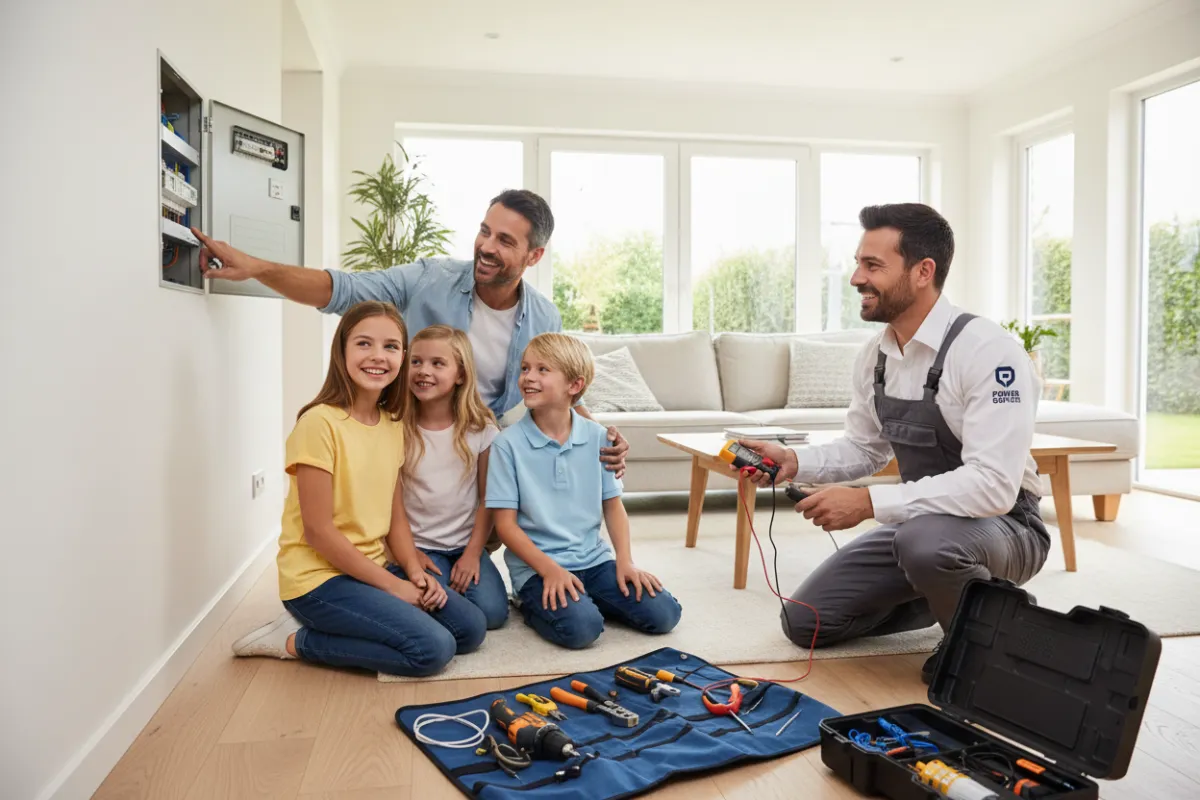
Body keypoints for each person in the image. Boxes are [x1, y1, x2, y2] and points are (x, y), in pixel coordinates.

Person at [739, 203, 1048, 683]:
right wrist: (795, 461)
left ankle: (981, 639)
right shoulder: (875, 356)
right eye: (859, 263)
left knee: (924, 544)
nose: (855, 278)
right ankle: (963, 600)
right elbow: (865, 449)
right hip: (924, 525)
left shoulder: (988, 351)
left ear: (923, 271)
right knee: (806, 621)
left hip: (1006, 526)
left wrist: (867, 503)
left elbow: (993, 487)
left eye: (872, 266)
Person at [190, 188, 629, 477]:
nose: (487, 247)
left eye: (505, 241)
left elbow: (559, 393)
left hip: (477, 446)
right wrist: (257, 267)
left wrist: (601, 435)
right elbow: (343, 289)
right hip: (409, 434)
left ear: (534, 256)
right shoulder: (428, 278)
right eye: (484, 232)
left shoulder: (544, 317)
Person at [231, 301, 487, 676]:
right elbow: (319, 533)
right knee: (433, 648)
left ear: (401, 355)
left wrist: (414, 572)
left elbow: (396, 517)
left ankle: (363, 617)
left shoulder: (392, 424)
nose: (377, 357)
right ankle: (294, 639)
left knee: (470, 629)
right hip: (317, 580)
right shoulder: (319, 423)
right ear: (343, 351)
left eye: (390, 346)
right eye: (364, 344)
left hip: (371, 566)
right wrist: (394, 588)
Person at [486, 333, 682, 649]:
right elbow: (505, 526)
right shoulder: (506, 445)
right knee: (582, 630)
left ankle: (588, 597)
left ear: (574, 386)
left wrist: (625, 561)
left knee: (664, 615)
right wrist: (551, 571)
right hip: (538, 568)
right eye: (525, 368)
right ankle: (528, 600)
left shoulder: (600, 438)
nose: (529, 377)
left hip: (594, 560)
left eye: (542, 370)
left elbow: (613, 506)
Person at [396, 324, 508, 630]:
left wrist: (473, 554)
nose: (423, 371)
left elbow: (488, 499)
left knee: (495, 615)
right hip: (416, 546)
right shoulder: (396, 427)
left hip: (464, 545)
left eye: (437, 363)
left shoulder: (482, 430)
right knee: (448, 608)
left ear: (460, 374)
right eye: (415, 362)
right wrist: (409, 554)